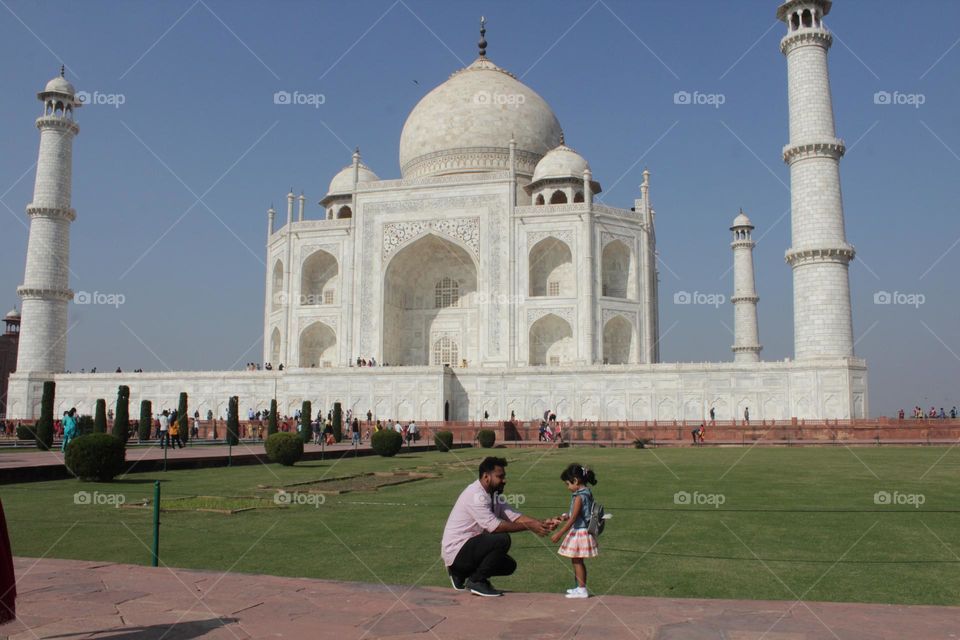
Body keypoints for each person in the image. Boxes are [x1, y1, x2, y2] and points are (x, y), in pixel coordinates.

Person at [441, 457, 555, 597]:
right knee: (502, 539)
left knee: (508, 565)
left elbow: (514, 517)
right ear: (486, 477)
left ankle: (462, 574)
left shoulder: (493, 495)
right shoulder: (475, 494)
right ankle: (476, 581)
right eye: (500, 476)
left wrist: (542, 523)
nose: (504, 480)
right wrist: (530, 526)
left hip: (469, 549)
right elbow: (494, 527)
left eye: (504, 476)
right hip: (457, 551)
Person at [550, 464, 599, 599]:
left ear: (576, 481)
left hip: (580, 531)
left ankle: (582, 589)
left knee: (577, 561)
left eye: (568, 484)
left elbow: (573, 519)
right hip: (583, 529)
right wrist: (564, 517)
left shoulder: (579, 497)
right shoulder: (586, 493)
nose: (568, 487)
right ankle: (579, 587)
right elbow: (577, 514)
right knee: (576, 560)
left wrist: (559, 534)